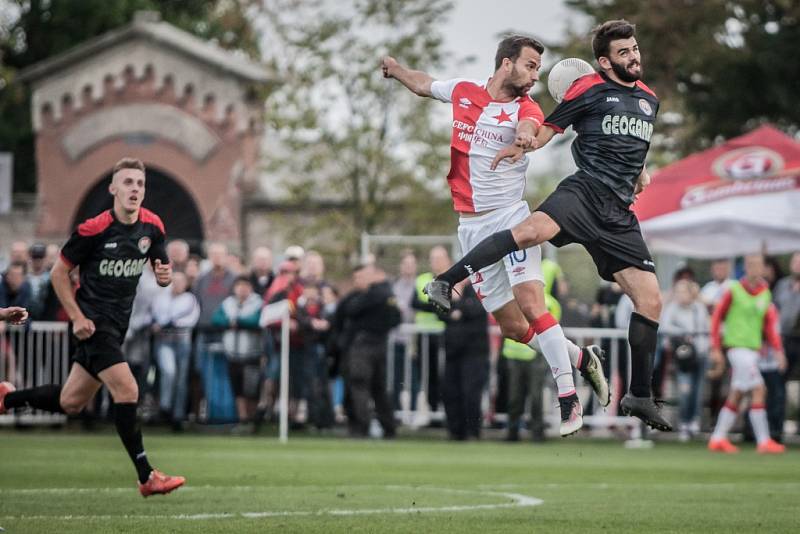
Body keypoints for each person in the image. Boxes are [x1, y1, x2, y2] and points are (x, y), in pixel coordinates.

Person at [420, 20, 669, 431]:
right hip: (584, 193)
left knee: (651, 302)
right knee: (530, 232)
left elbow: (636, 146)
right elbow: (546, 129)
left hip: (619, 214)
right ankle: (448, 279)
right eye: (624, 52)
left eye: (635, 49)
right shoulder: (586, 89)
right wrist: (522, 144)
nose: (634, 56)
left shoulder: (649, 101)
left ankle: (639, 395)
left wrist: (641, 173)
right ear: (604, 62)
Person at [383, 35, 608, 436]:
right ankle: (580, 358)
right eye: (530, 66)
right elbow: (423, 83)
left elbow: (530, 125)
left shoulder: (526, 107)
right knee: (512, 328)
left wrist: (524, 138)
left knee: (532, 306)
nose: (535, 76)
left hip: (512, 222)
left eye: (539, 68)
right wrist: (396, 69)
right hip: (470, 228)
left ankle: (568, 399)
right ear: (507, 63)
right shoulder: (464, 92)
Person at [0, 157, 185, 495]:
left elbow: (162, 268)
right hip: (93, 326)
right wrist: (77, 317)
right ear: (113, 188)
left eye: (140, 184)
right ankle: (146, 476)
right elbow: (59, 273)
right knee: (128, 391)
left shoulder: (152, 226)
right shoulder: (93, 228)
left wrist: (164, 275)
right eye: (128, 183)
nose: (135, 189)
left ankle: (6, 399)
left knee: (71, 402)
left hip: (118, 327)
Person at [707, 253, 786, 454]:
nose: (754, 269)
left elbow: (769, 326)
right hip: (737, 348)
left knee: (737, 394)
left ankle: (717, 438)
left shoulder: (765, 293)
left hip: (753, 351)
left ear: (764, 268)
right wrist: (715, 347)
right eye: (750, 265)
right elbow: (717, 318)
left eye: (758, 265)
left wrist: (778, 351)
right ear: (745, 268)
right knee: (759, 389)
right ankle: (764, 440)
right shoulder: (733, 290)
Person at [339, 263, 399, 438]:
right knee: (379, 389)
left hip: (363, 346)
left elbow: (350, 310)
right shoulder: (388, 294)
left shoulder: (371, 294)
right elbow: (396, 318)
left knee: (359, 385)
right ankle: (388, 427)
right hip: (379, 344)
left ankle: (361, 427)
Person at [439, 279, 489, 440]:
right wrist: (456, 310)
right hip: (453, 351)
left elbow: (477, 308)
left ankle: (472, 431)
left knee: (471, 392)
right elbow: (440, 310)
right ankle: (455, 431)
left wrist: (457, 304)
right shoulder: (447, 289)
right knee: (451, 392)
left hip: (474, 352)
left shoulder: (478, 288)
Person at [660, 279, 709, 441]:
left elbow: (705, 329)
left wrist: (701, 347)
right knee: (685, 390)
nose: (681, 295)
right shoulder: (672, 308)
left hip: (700, 354)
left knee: (698, 390)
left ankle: (694, 421)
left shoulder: (698, 308)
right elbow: (664, 326)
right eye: (678, 292)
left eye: (684, 291)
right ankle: (684, 422)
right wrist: (683, 332)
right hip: (682, 357)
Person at [212, 275, 263, 432]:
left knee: (252, 388)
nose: (242, 289)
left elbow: (257, 321)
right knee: (238, 388)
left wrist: (238, 322)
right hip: (232, 353)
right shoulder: (228, 303)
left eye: (245, 286)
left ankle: (253, 420)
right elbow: (216, 319)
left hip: (252, 352)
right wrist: (229, 322)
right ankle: (243, 419)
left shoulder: (258, 303)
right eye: (239, 286)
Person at [152, 270, 200, 429]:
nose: (178, 284)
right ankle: (165, 406)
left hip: (182, 342)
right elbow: (154, 316)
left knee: (181, 380)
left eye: (181, 281)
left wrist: (166, 323)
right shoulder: (160, 298)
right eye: (175, 281)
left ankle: (177, 415)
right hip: (164, 341)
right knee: (169, 371)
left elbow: (188, 319)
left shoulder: (190, 299)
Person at [773, 252, 800, 435]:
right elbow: (773, 311)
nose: (797, 265)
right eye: (795, 262)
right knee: (778, 386)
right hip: (783, 340)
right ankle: (776, 429)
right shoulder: (782, 285)